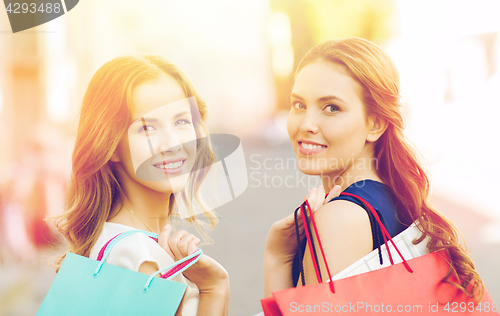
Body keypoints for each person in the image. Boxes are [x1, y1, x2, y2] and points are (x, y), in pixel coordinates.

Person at [263, 37, 483, 299]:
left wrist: (275, 260)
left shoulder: (339, 219)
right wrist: (279, 256)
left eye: (331, 108)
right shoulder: (395, 198)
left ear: (375, 124)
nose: (307, 124)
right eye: (299, 104)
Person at [52, 55, 229, 315]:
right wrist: (215, 287)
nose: (172, 143)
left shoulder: (119, 241)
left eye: (181, 121)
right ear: (110, 146)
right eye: (147, 128)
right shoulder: (140, 256)